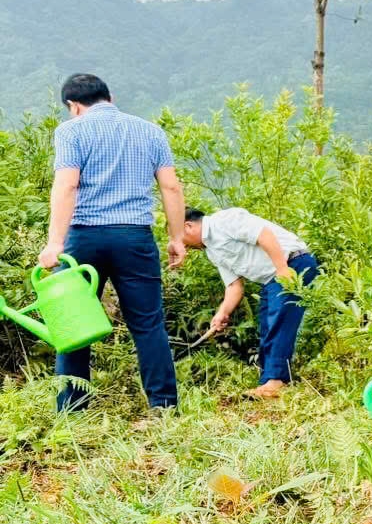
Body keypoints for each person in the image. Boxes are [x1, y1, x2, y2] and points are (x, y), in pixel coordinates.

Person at [40, 73, 185, 411]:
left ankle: (73, 410)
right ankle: (163, 406)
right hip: (135, 237)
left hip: (84, 238)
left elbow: (66, 186)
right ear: (110, 96)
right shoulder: (150, 131)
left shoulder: (71, 131)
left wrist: (54, 243)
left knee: (73, 320)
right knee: (148, 324)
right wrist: (176, 238)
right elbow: (172, 187)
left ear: (73, 107)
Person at [180, 207, 320, 398]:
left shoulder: (224, 220)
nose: (184, 247)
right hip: (271, 279)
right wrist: (222, 313)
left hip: (292, 263)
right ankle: (268, 381)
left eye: (180, 240)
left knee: (279, 322)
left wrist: (282, 270)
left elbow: (264, 235)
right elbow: (234, 286)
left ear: (187, 226)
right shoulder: (212, 252)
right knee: (267, 325)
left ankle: (275, 382)